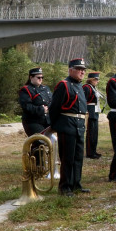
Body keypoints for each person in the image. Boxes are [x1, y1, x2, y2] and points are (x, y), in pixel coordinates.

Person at [49, 58, 89, 197]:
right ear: (70, 70)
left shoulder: (80, 86)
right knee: (67, 157)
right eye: (79, 69)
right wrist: (55, 125)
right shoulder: (64, 85)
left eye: (83, 69)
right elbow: (54, 107)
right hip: (67, 124)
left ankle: (76, 184)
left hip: (79, 125)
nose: (82, 72)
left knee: (78, 157)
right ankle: (65, 187)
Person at [19, 67, 52, 137]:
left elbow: (52, 101)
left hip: (47, 121)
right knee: (39, 143)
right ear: (31, 77)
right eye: (38, 77)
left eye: (42, 77)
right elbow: (26, 106)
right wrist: (41, 109)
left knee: (51, 143)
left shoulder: (46, 88)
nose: (41, 79)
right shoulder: (26, 90)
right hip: (33, 121)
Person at [83, 72, 102, 159]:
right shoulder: (86, 87)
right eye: (96, 79)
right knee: (91, 132)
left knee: (95, 132)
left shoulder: (93, 88)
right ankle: (90, 152)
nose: (97, 81)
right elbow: (84, 100)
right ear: (91, 80)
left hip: (95, 110)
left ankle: (93, 151)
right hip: (90, 110)